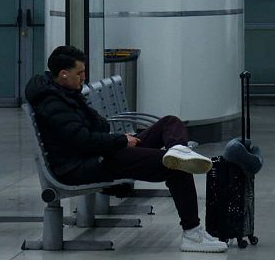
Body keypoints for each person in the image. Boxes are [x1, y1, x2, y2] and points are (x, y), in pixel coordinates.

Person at [25, 45, 227, 253]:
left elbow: (100, 126)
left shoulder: (66, 93)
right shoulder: (53, 103)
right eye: (79, 73)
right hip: (84, 165)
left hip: (99, 153)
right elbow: (83, 140)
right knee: (177, 167)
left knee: (169, 122)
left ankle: (178, 148)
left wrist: (115, 137)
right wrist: (121, 140)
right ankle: (192, 234)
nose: (83, 77)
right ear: (63, 74)